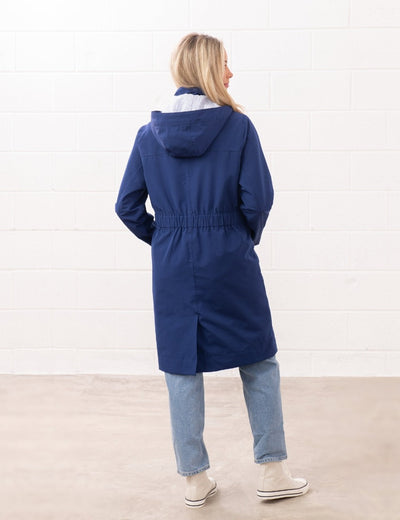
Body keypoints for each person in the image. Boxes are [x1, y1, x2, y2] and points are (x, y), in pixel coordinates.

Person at [115, 32, 309, 508]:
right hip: (228, 254)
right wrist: (239, 239)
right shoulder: (237, 127)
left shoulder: (148, 134)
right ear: (206, 68)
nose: (230, 72)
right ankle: (272, 471)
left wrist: (164, 237)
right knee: (258, 359)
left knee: (181, 365)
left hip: (172, 260)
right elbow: (258, 199)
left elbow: (127, 206)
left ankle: (194, 480)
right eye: (224, 63)